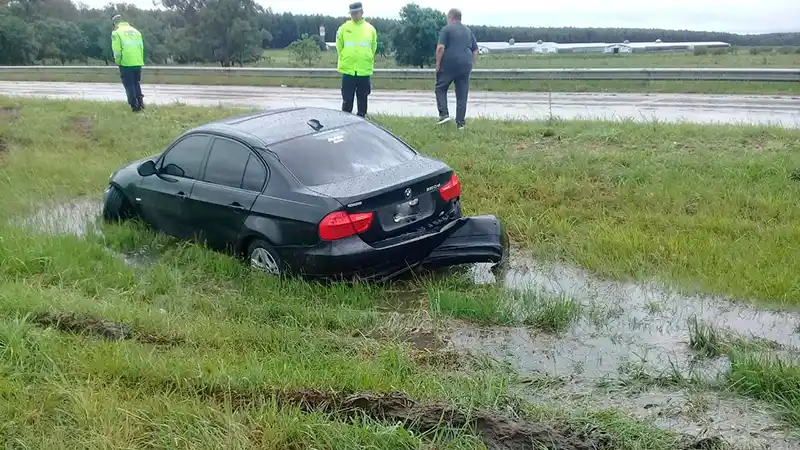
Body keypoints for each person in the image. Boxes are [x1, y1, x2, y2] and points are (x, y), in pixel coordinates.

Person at [435, 8, 479, 129]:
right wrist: (471, 63)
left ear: (451, 17)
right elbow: (475, 50)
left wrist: (438, 64)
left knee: (440, 88)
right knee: (462, 94)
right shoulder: (468, 31)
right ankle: (460, 124)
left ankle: (444, 115)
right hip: (466, 64)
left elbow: (440, 48)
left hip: (449, 63)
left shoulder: (446, 29)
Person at [335, 2, 378, 117]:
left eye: (356, 13)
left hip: (363, 70)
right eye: (352, 13)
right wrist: (345, 56)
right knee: (347, 99)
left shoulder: (370, 29)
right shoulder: (344, 28)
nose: (354, 15)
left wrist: (366, 57)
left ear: (362, 12)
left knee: (362, 99)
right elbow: (339, 46)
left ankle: (361, 122)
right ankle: (345, 121)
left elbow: (373, 48)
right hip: (348, 70)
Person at [111, 15, 145, 112]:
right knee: (136, 83)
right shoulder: (136, 32)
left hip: (126, 62)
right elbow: (141, 48)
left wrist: (118, 61)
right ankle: (141, 103)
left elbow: (117, 50)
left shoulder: (116, 33)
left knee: (129, 85)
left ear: (115, 23)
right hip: (138, 62)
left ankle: (134, 106)